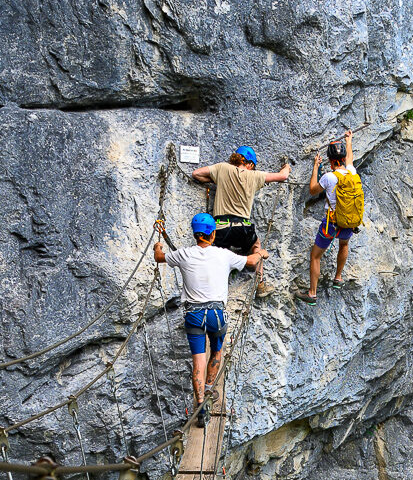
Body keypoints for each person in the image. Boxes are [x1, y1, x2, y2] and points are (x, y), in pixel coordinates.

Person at [155, 213, 267, 421]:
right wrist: (261, 253)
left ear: (195, 234)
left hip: (194, 314)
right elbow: (251, 261)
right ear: (213, 234)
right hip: (216, 313)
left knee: (198, 360)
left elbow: (160, 258)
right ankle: (208, 391)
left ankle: (199, 406)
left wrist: (157, 246)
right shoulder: (223, 254)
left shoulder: (183, 254)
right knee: (217, 351)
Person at [191, 146, 290, 296]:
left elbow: (196, 174)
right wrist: (287, 166)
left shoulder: (222, 168)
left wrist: (216, 181)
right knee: (256, 246)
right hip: (242, 227)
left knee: (214, 253)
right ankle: (260, 284)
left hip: (220, 227)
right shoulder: (254, 175)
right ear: (250, 164)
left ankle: (208, 286)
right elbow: (283, 176)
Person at [296, 130, 363, 305]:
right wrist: (349, 140)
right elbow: (350, 158)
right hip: (348, 221)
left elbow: (312, 190)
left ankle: (312, 293)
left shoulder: (329, 177)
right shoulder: (352, 172)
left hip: (331, 223)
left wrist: (316, 166)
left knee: (316, 256)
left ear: (332, 161)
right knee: (344, 244)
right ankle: (338, 277)